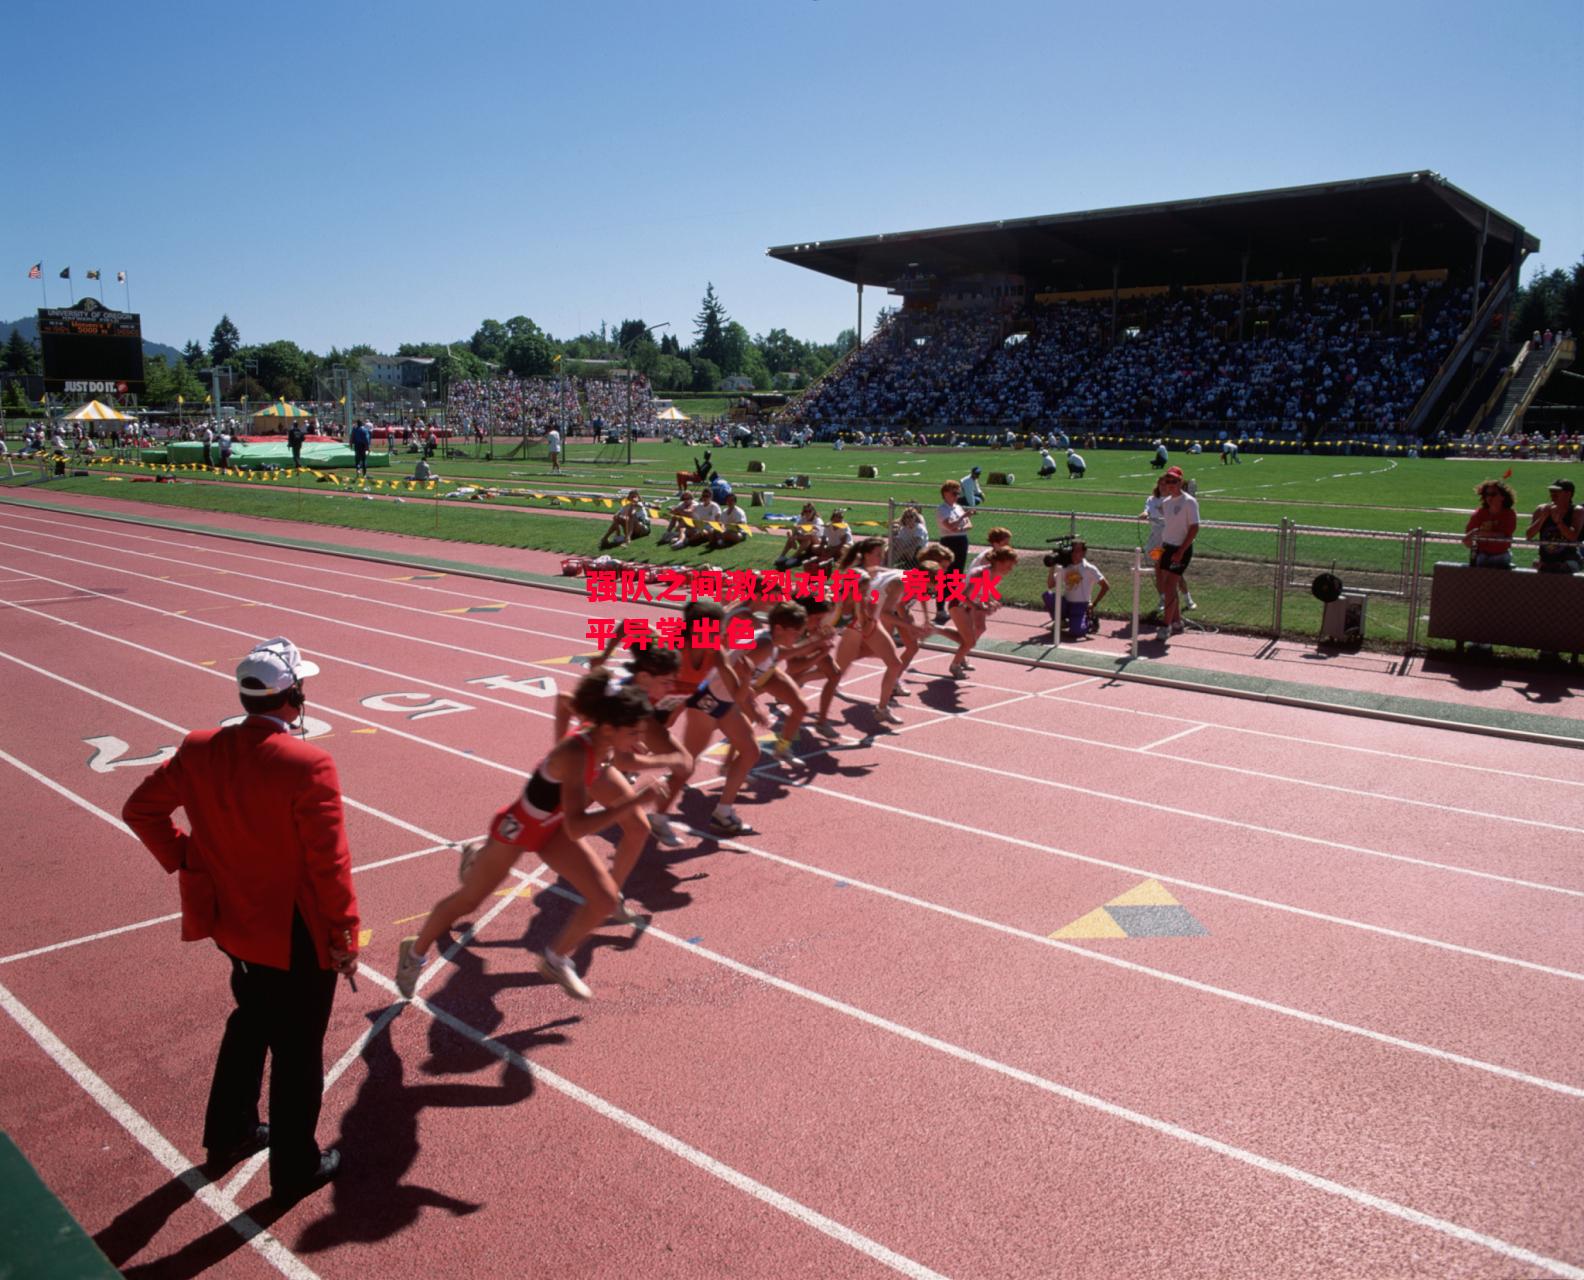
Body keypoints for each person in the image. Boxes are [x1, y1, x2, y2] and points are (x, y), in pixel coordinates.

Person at [121, 637, 359, 1201]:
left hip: (232, 923)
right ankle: (295, 1167)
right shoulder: (309, 762)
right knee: (298, 1050)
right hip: (294, 933)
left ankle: (230, 1131)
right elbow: (330, 863)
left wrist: (185, 855)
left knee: (251, 1020)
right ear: (294, 698)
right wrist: (345, 936)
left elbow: (141, 809)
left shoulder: (200, 748)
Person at [397, 673, 665, 1002]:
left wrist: (659, 759)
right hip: (518, 829)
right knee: (469, 901)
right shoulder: (577, 753)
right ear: (609, 728)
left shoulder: (603, 741)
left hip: (553, 831)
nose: (640, 739)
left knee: (605, 900)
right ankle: (414, 953)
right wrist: (635, 802)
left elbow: (571, 705)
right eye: (634, 732)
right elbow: (579, 826)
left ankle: (556, 959)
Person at [1154, 467, 1199, 644]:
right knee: (1168, 586)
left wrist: (1181, 551)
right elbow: (1169, 527)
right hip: (1166, 547)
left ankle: (1166, 626)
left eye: (1173, 481)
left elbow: (1194, 527)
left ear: (1180, 482)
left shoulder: (1189, 502)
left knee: (1170, 585)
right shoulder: (1166, 502)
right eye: (1167, 481)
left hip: (1181, 549)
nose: (1170, 484)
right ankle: (1177, 622)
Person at [1045, 540, 1109, 638]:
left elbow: (1105, 586)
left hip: (1081, 605)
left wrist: (1093, 604)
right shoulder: (1065, 567)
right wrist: (1053, 566)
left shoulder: (1089, 568)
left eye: (1078, 550)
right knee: (1048, 596)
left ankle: (1090, 622)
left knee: (1076, 632)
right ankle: (1062, 621)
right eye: (1073, 550)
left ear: (1084, 552)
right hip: (1066, 603)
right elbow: (1050, 585)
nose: (1075, 553)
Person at [934, 480, 973, 624]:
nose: (957, 496)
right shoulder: (941, 509)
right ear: (945, 493)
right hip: (948, 544)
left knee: (957, 575)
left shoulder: (958, 507)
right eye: (954, 493)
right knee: (945, 577)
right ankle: (940, 609)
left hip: (961, 541)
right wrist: (962, 519)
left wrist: (960, 526)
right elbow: (949, 526)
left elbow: (969, 525)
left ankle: (953, 605)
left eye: (958, 493)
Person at [1526, 478, 1583, 573]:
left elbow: (1573, 537)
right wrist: (1542, 518)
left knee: (1561, 569)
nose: (1553, 494)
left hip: (1569, 560)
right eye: (1551, 491)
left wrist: (1559, 522)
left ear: (1568, 494)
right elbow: (1529, 535)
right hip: (1545, 561)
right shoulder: (1541, 509)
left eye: (1557, 491)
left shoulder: (1577, 511)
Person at [1463, 480, 1517, 568]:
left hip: (1501, 555)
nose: (1489, 497)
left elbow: (1503, 536)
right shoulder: (1480, 513)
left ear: (1502, 497)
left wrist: (1479, 533)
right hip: (1482, 555)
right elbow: (1467, 539)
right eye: (1487, 494)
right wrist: (1474, 537)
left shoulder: (1509, 514)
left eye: (1493, 494)